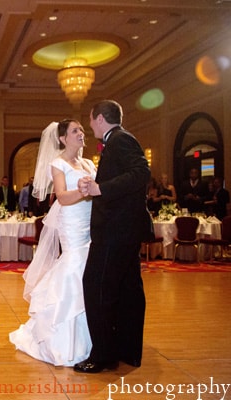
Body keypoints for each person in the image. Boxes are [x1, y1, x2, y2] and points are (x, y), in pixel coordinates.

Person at [9, 119, 96, 366]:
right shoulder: (58, 164)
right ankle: (63, 337)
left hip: (90, 223)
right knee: (74, 269)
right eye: (75, 131)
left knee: (89, 272)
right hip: (72, 223)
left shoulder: (89, 163)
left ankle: (93, 334)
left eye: (81, 129)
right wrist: (83, 191)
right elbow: (62, 197)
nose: (81, 134)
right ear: (62, 139)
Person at [76, 100, 153, 373]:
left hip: (115, 232)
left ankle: (103, 356)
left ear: (99, 119)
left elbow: (142, 173)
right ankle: (127, 350)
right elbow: (125, 178)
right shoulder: (120, 140)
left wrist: (100, 190)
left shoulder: (120, 140)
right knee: (128, 290)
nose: (89, 126)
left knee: (96, 287)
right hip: (124, 230)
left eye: (90, 120)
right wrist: (97, 186)